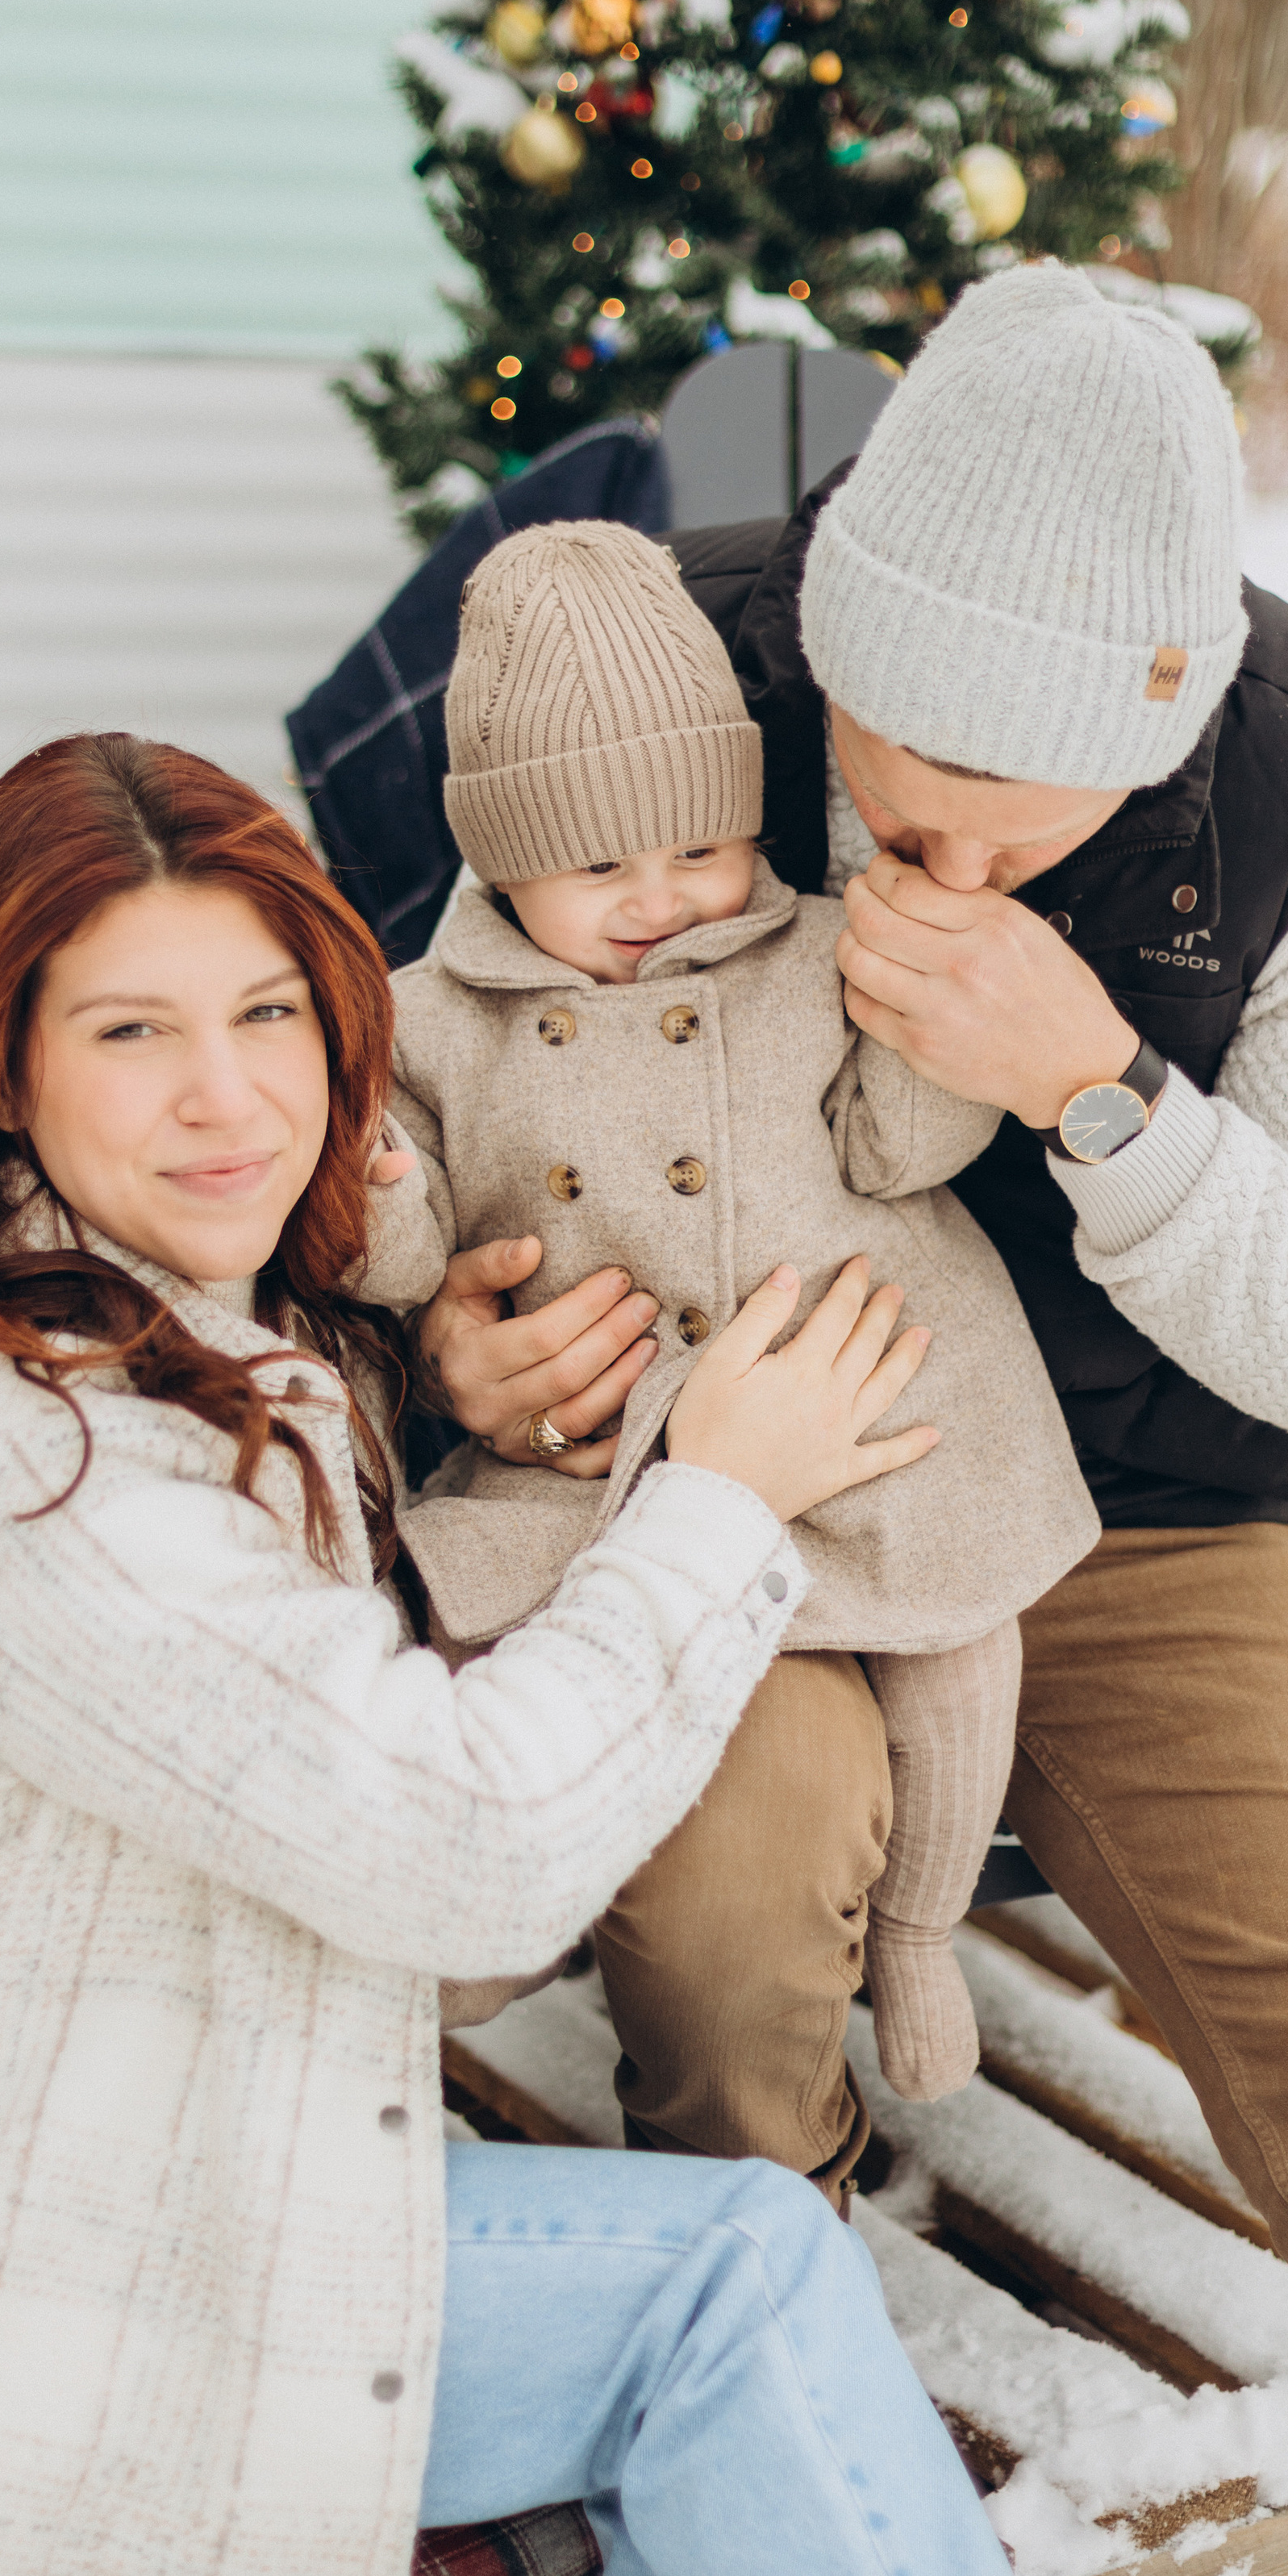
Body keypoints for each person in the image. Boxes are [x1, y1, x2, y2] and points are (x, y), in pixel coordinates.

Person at [0, 734, 1102, 2576]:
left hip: (80, 2161)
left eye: (270, 1012)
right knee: (737, 2291)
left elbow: (268, 1529)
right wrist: (720, 1494)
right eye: (135, 1032)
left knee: (730, 2303)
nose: (231, 1094)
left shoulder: (140, 1310)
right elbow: (458, 1851)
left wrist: (433, 1371)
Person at [412, 265, 1288, 2576]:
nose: (918, 853)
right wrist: (453, 1356)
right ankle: (760, 2464)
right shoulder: (674, 671)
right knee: (737, 1943)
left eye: (1004, 823)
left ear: (1162, 719)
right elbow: (368, 1101)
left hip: (1148, 1527)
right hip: (721, 1482)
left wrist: (1105, 1091)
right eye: (883, 785)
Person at [359, 518, 1097, 2116]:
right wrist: (369, 1176)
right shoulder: (425, 1025)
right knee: (491, 1648)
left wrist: (918, 1023)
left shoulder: (819, 949)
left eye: (697, 850)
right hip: (602, 1458)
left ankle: (915, 1933)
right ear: (497, 858)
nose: (658, 899)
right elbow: (397, 1249)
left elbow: (901, 1148)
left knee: (959, 1640)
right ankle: (492, 1917)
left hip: (866, 1391)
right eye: (595, 865)